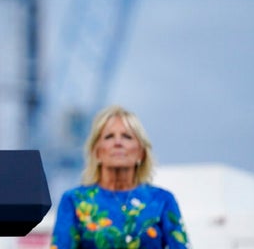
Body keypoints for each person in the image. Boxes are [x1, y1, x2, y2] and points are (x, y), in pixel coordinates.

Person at [50, 105, 190, 249]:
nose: (118, 143)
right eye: (109, 137)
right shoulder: (75, 200)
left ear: (141, 153)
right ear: (96, 152)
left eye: (127, 137)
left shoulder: (162, 200)